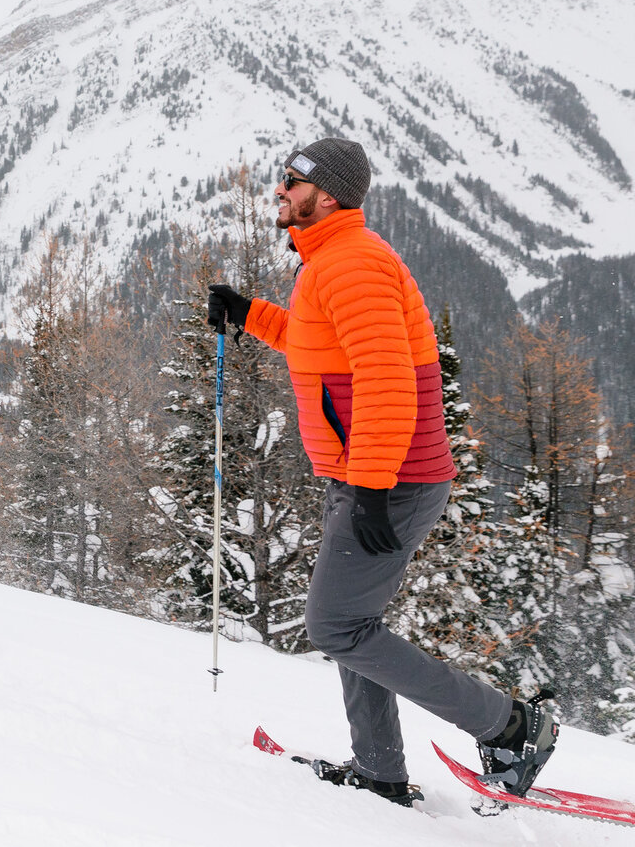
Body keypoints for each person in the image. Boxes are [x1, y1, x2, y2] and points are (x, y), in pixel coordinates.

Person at [209, 137, 556, 805]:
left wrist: (369, 485)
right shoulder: (329, 262)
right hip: (370, 474)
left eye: (291, 180)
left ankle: (512, 726)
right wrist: (249, 315)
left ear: (328, 194)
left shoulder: (353, 264)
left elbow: (385, 379)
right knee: (350, 622)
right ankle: (380, 770)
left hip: (391, 479)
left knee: (337, 627)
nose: (279, 189)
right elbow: (322, 348)